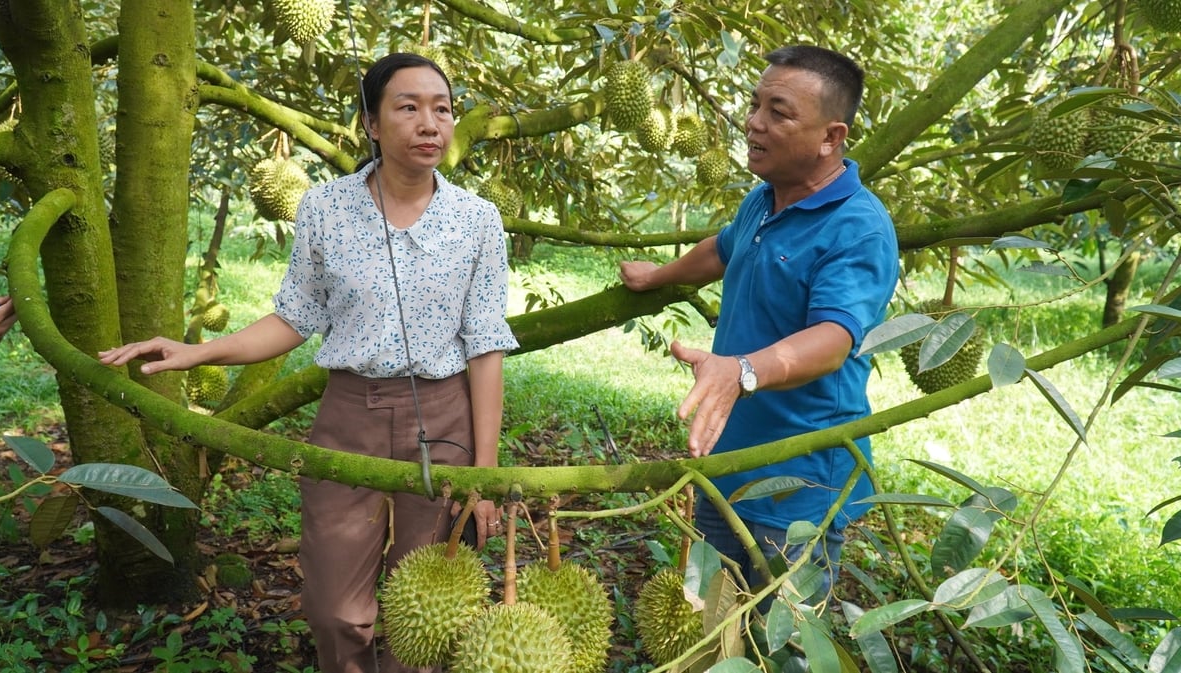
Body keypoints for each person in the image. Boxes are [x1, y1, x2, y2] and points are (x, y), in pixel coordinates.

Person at [99, 53, 518, 673]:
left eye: (443, 108)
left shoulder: (478, 220)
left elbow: (484, 347)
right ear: (372, 124)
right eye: (408, 107)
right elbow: (295, 317)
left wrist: (484, 475)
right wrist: (200, 351)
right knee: (333, 609)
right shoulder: (325, 209)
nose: (430, 122)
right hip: (350, 417)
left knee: (428, 608)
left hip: (445, 419)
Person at [619, 45, 899, 602]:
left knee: (782, 643)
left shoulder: (859, 228)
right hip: (726, 465)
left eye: (779, 111)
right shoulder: (764, 200)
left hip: (799, 488)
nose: (754, 122)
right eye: (755, 105)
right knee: (709, 627)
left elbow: (833, 341)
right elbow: (723, 251)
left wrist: (740, 370)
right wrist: (659, 277)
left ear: (831, 137)